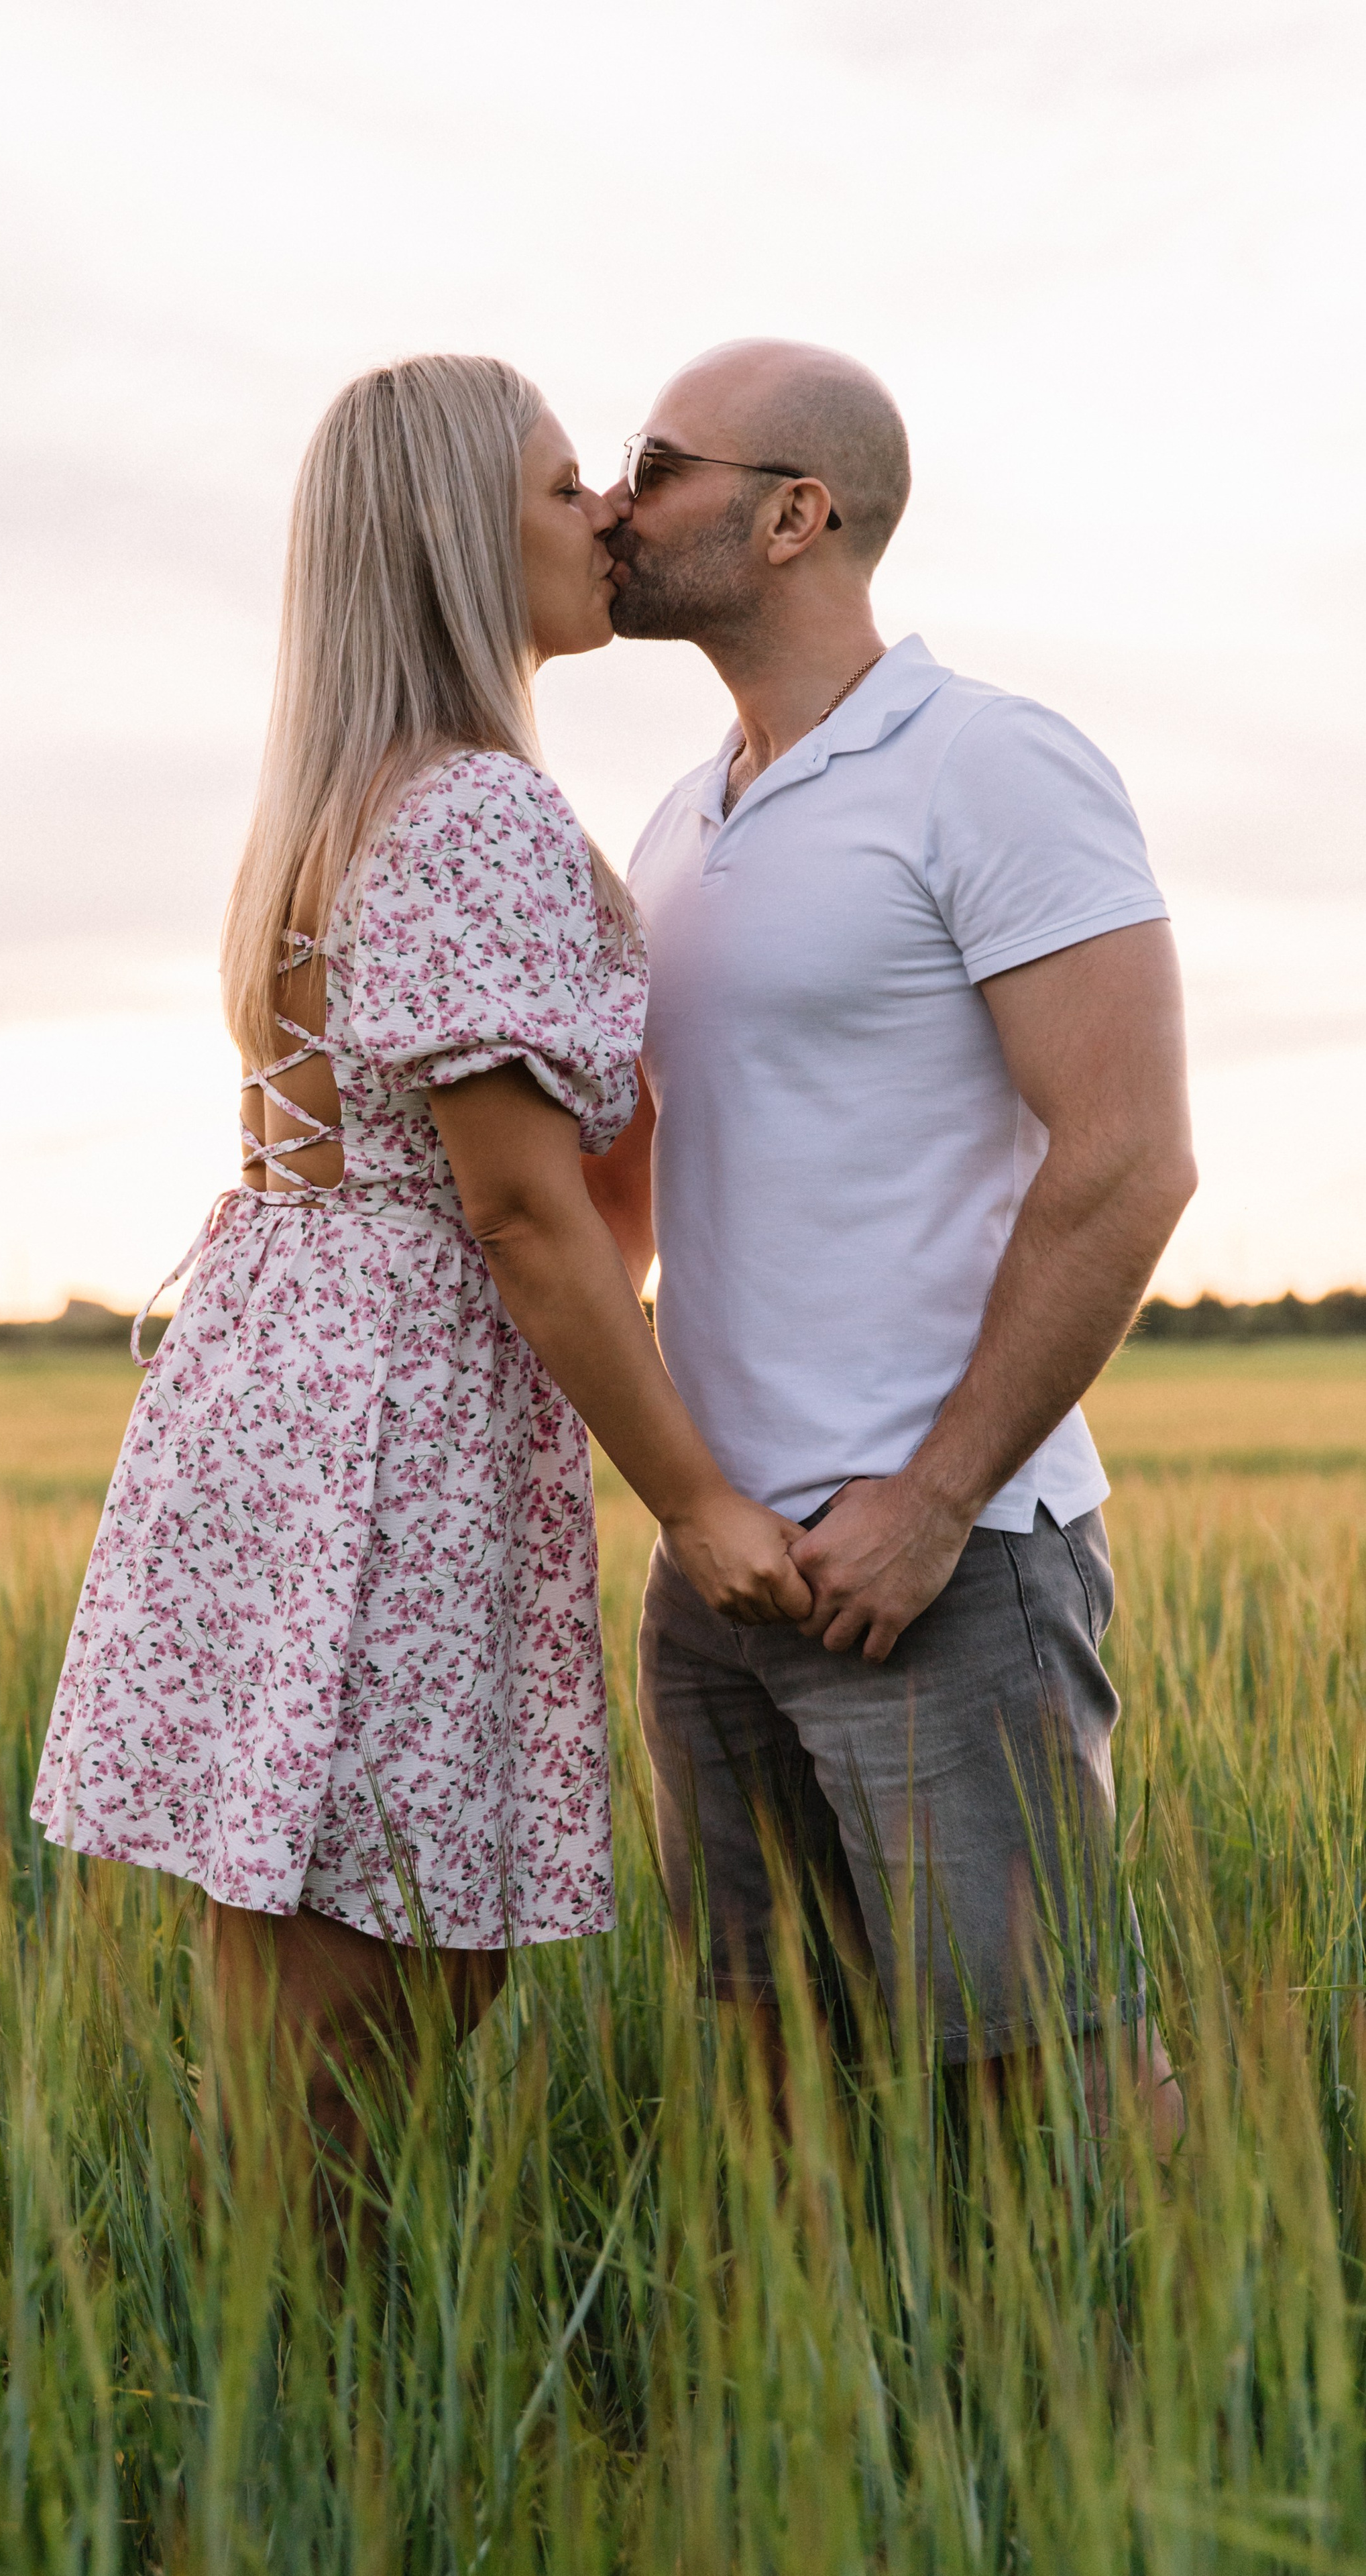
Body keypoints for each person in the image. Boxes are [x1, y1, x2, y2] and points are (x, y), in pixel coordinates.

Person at [32, 354, 810, 2155]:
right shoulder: (469, 808)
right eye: (562, 488)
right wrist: (694, 1497)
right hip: (388, 1420)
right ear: (462, 540)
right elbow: (525, 1214)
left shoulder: (343, 793)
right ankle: (307, 2393)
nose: (607, 511)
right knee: (388, 1971)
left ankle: (283, 2385)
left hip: (286, 1381)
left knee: (316, 1954)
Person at [587, 339, 1194, 2147]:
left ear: (797, 514)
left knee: (1050, 2080)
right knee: (776, 2087)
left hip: (948, 1568)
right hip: (726, 1572)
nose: (612, 503)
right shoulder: (677, 821)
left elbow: (1130, 1159)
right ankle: (849, 2434)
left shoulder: (990, 765)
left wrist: (932, 1503)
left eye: (656, 462)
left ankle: (1164, 2426)